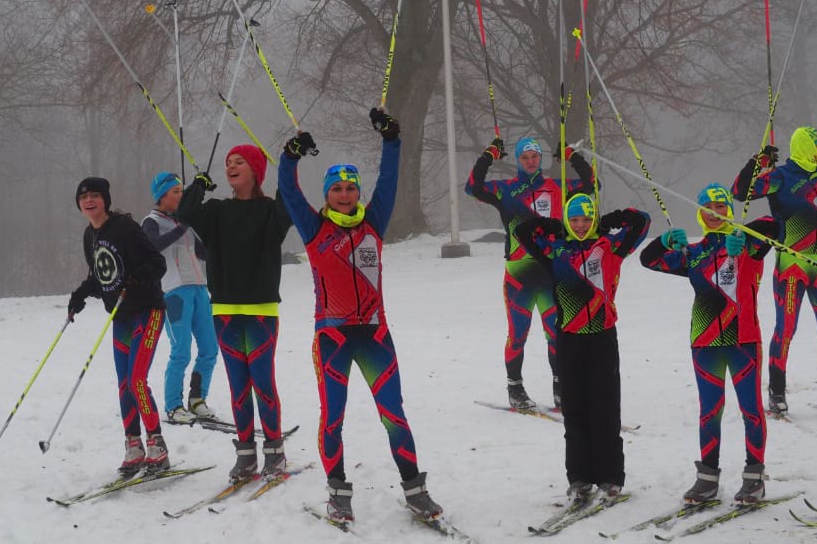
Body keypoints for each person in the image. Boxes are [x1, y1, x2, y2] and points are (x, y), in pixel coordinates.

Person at [277, 109, 442, 524]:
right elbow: (288, 189)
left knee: (393, 414)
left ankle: (415, 489)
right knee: (333, 418)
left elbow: (390, 180)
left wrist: (391, 139)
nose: (346, 195)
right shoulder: (314, 229)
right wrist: (290, 156)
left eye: (351, 188)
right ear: (328, 194)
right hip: (332, 336)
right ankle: (337, 491)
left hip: (375, 335)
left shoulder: (373, 222)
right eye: (338, 189)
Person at [640, 184, 778, 504]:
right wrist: (662, 242)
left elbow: (775, 225)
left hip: (743, 340)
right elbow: (648, 260)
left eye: (720, 207)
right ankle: (707, 479)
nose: (714, 213)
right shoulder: (694, 253)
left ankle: (754, 478)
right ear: (699, 212)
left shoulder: (749, 246)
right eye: (707, 208)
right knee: (710, 412)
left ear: (728, 210)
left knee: (751, 410)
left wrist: (743, 234)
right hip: (705, 343)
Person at [515, 193, 649, 501]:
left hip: (602, 337)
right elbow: (523, 233)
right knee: (575, 410)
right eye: (574, 219)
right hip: (569, 339)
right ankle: (579, 477)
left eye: (586, 219)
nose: (579, 225)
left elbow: (641, 222)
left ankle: (611, 477)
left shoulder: (609, 248)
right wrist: (546, 224)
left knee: (605, 409)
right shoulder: (555, 250)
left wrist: (612, 218)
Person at [176, 145, 292, 481]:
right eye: (228, 163)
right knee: (238, 386)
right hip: (225, 310)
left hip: (261, 311)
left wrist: (289, 163)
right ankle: (245, 455)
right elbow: (185, 213)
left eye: (239, 162)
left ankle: (274, 452)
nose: (231, 166)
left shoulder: (271, 212)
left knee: (263, 383)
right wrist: (197, 184)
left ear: (256, 170)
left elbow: (291, 202)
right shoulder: (216, 211)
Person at [465, 138, 596, 410]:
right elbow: (473, 187)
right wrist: (488, 155)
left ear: (540, 158)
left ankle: (561, 388)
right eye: (524, 157)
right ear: (517, 160)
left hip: (550, 272)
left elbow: (591, 184)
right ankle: (515, 388)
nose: (530, 161)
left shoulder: (556, 187)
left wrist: (571, 154)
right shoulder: (507, 190)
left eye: (534, 156)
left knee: (556, 333)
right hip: (519, 275)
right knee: (518, 335)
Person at [67, 177, 170, 477]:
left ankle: (158, 445)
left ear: (105, 201)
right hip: (121, 317)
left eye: (95, 195)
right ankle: (134, 445)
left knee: (137, 378)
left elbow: (157, 263)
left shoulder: (124, 227)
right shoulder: (90, 236)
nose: (89, 200)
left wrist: (137, 278)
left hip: (147, 310)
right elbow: (102, 277)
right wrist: (81, 295)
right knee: (125, 384)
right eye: (83, 196)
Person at [731, 127, 817, 415]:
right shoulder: (780, 176)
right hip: (792, 267)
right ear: (807, 147)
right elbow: (739, 192)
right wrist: (756, 163)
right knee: (786, 329)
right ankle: (776, 391)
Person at [142, 172, 219, 424]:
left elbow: (206, 253)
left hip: (199, 289)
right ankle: (173, 405)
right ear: (161, 196)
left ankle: (197, 399)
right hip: (174, 292)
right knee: (181, 352)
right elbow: (153, 246)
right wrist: (184, 224)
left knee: (209, 348)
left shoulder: (184, 222)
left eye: (181, 192)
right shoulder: (151, 221)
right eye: (175, 192)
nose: (180, 196)